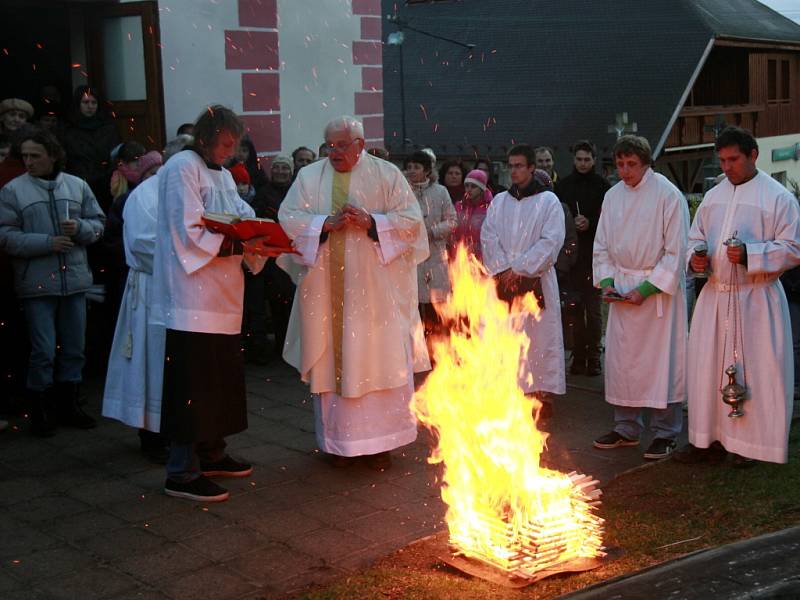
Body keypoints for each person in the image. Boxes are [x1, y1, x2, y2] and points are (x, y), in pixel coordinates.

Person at [278, 115, 429, 471]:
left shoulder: (387, 175)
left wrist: (374, 223)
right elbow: (288, 217)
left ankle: (380, 445)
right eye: (330, 145)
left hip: (377, 296)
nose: (334, 152)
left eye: (342, 145)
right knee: (334, 362)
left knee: (378, 361)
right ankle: (338, 445)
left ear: (360, 144)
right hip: (327, 292)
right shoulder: (309, 177)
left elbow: (412, 222)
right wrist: (322, 225)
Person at [152, 106, 270, 502]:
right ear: (205, 137)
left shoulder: (219, 173)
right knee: (192, 385)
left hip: (223, 295)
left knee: (219, 381)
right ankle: (181, 472)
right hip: (190, 297)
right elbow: (185, 230)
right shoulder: (181, 168)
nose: (229, 152)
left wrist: (262, 235)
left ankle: (212, 453)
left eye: (233, 146)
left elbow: (240, 214)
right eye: (224, 144)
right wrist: (241, 242)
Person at [676, 127, 800, 467]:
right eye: (722, 160)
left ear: (753, 155)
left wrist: (751, 254)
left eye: (733, 159)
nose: (727, 167)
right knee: (707, 367)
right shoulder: (714, 197)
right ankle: (707, 438)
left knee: (759, 371)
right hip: (716, 297)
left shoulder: (777, 198)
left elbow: (793, 248)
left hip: (756, 299)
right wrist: (696, 256)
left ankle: (751, 446)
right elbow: (694, 237)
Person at [0, 128, 105, 436]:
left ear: (53, 155)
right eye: (26, 156)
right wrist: (48, 242)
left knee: (74, 345)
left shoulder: (77, 185)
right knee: (44, 348)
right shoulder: (13, 191)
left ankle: (69, 404)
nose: (29, 162)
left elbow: (99, 224)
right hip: (36, 282)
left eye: (36, 155)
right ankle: (40, 408)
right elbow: (5, 236)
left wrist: (81, 228)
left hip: (73, 278)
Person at [592, 135, 689, 460]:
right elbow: (602, 245)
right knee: (623, 363)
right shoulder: (612, 196)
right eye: (619, 164)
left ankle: (666, 432)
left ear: (646, 162)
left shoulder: (667, 195)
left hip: (656, 294)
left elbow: (676, 252)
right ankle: (626, 427)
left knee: (662, 362)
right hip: (621, 288)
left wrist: (645, 289)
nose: (624, 171)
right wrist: (608, 282)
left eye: (631, 164)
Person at [103, 137, 190, 464]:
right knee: (152, 361)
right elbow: (142, 243)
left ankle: (179, 431)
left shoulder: (187, 192)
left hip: (184, 292)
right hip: (152, 292)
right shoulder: (143, 195)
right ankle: (152, 434)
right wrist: (197, 254)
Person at [481, 144, 566, 412]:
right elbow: (488, 237)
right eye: (511, 166)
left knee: (538, 340)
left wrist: (518, 269)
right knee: (506, 336)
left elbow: (551, 241)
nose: (514, 171)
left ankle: (540, 393)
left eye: (519, 165)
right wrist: (503, 269)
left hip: (535, 279)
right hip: (503, 280)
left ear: (532, 167)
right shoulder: (499, 202)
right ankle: (508, 390)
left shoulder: (548, 201)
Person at [555, 140, 611, 376]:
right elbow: (556, 217)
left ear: (594, 160)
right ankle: (578, 355)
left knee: (594, 310)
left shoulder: (603, 186)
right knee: (574, 309)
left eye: (587, 159)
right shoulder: (564, 186)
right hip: (572, 258)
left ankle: (594, 355)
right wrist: (572, 225)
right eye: (579, 159)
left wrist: (591, 223)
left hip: (595, 255)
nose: (583, 163)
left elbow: (610, 220)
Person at [404, 151, 457, 342]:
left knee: (437, 310)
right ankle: (416, 357)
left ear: (426, 171)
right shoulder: (401, 192)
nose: (411, 171)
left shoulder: (440, 192)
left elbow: (452, 221)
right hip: (410, 259)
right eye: (409, 167)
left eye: (416, 167)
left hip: (435, 257)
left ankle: (438, 352)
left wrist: (431, 232)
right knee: (413, 310)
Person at [63, 86, 121, 211]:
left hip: (105, 184)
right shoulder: (67, 130)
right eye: (85, 102)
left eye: (94, 102)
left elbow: (115, 155)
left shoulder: (109, 128)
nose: (90, 106)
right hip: (78, 183)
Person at [450, 168, 492, 261]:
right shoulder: (459, 206)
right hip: (460, 256)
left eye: (473, 186)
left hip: (482, 258)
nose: (469, 189)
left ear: (481, 189)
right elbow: (452, 228)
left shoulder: (490, 208)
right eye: (467, 186)